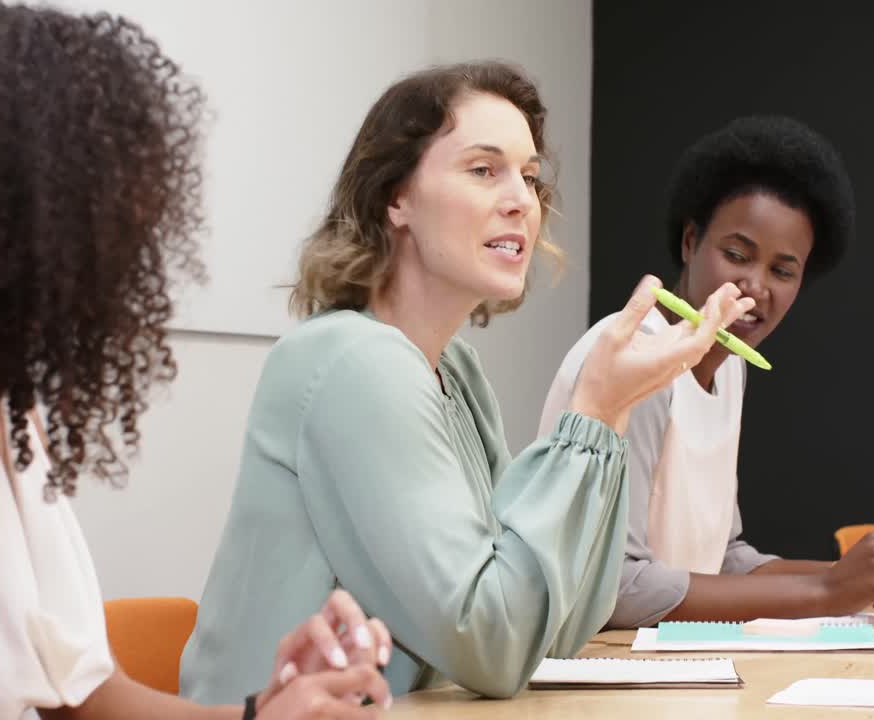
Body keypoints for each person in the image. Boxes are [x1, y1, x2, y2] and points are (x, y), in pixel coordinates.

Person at [0, 2, 390, 718]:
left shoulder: (0, 403)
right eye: (106, 220)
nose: (126, 261)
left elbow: (87, 701)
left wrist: (265, 712)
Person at [179, 60, 754, 702]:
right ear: (395, 197)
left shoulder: (454, 367)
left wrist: (611, 417)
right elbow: (493, 645)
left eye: (530, 178)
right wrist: (594, 411)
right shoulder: (350, 362)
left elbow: (560, 624)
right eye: (484, 170)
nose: (522, 202)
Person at [539, 115, 874, 627]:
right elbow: (618, 587)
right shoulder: (634, 362)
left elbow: (724, 560)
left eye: (783, 271)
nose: (756, 286)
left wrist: (866, 571)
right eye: (736, 255)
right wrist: (826, 590)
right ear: (690, 242)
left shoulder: (729, 367)